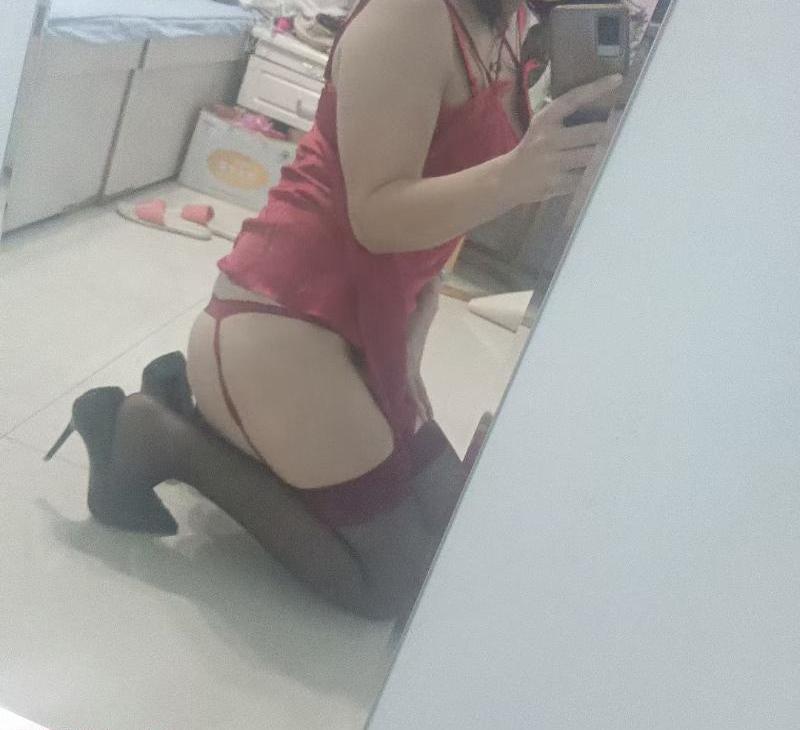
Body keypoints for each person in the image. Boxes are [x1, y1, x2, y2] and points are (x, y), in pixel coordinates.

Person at [48, 0, 620, 620]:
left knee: (455, 536)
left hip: (373, 318)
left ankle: (219, 421)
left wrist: (422, 303)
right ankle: (158, 436)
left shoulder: (504, 23)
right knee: (395, 585)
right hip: (283, 317)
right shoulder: (410, 17)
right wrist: (515, 175)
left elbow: (446, 175)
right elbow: (376, 214)